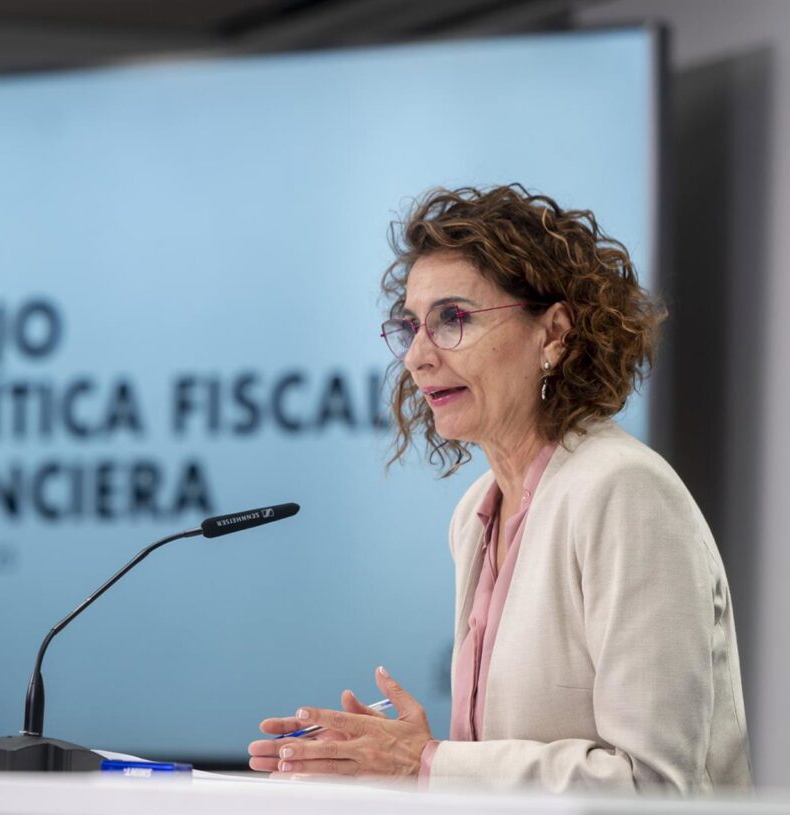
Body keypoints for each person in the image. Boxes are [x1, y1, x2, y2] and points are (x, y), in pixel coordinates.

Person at [247, 185, 752, 794]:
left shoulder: (625, 493)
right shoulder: (473, 515)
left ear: (555, 333)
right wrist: (385, 760)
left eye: (453, 319)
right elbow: (504, 774)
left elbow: (654, 787)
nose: (416, 357)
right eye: (411, 326)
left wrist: (428, 762)